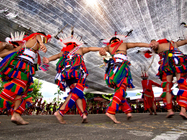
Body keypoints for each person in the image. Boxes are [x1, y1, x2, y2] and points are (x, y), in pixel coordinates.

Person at [43, 30, 105, 124]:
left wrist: (48, 59)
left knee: (77, 93)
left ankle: (83, 114)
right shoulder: (79, 49)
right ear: (76, 44)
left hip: (67, 75)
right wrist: (100, 48)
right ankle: (60, 112)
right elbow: (89, 48)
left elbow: (56, 56)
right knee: (77, 92)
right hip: (77, 74)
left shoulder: (64, 52)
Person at [0, 32, 51, 125]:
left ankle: (16, 114)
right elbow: (37, 35)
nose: (45, 42)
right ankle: (15, 114)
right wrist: (42, 42)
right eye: (45, 40)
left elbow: (13, 52)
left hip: (23, 67)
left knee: (22, 91)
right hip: (22, 67)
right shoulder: (36, 38)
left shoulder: (25, 45)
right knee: (13, 89)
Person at [99, 34, 150, 123]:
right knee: (121, 88)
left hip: (114, 70)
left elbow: (102, 52)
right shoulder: (122, 45)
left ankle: (127, 111)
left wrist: (102, 52)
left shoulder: (110, 46)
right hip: (120, 69)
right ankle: (111, 111)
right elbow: (136, 44)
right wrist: (149, 45)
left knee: (120, 90)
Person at [149, 38, 187, 119]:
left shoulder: (173, 43)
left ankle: (170, 110)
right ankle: (182, 111)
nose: (153, 44)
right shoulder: (173, 44)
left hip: (169, 63)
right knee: (182, 84)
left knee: (167, 87)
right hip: (177, 61)